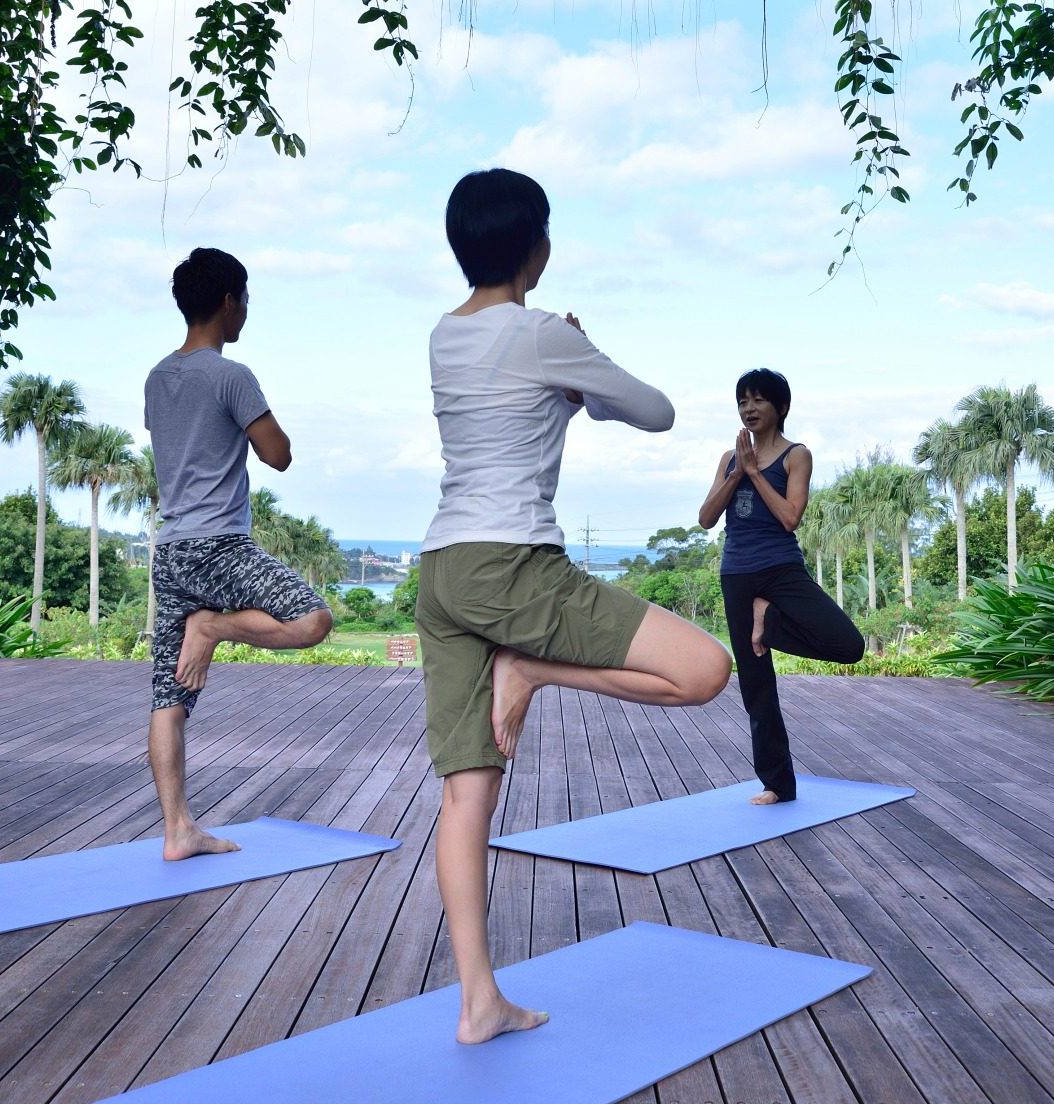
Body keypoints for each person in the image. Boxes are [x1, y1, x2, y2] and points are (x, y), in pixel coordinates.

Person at [416, 168, 732, 1045]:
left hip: (442, 572)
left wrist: (569, 376)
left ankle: (479, 1002)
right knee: (706, 670)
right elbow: (657, 412)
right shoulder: (545, 332)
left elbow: (514, 399)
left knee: (466, 797)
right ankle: (534, 669)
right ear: (539, 249)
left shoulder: (443, 334)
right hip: (513, 563)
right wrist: (583, 364)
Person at [144, 247, 332, 861]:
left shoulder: (157, 378)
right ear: (228, 302)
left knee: (169, 699)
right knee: (313, 620)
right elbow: (278, 454)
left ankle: (178, 831)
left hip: (171, 551)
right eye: (246, 299)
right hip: (219, 546)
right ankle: (213, 627)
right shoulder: (231, 375)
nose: (247, 311)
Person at [698, 368, 864, 805]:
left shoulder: (796, 455)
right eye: (743, 401)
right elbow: (706, 518)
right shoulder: (729, 458)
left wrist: (755, 474)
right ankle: (777, 785)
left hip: (781, 570)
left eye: (758, 400)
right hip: (737, 573)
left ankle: (767, 619)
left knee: (848, 644)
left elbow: (791, 517)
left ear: (781, 406)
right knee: (756, 684)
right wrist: (737, 473)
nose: (749, 409)